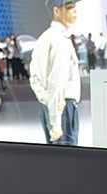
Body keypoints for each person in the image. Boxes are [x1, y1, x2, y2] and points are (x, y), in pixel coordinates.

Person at [30, 0, 82, 146]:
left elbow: (35, 77)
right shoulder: (59, 39)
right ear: (56, 11)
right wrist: (56, 121)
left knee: (56, 156)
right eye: (70, 7)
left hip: (53, 106)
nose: (75, 11)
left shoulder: (47, 37)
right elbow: (57, 81)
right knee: (66, 156)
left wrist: (46, 101)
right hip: (62, 108)